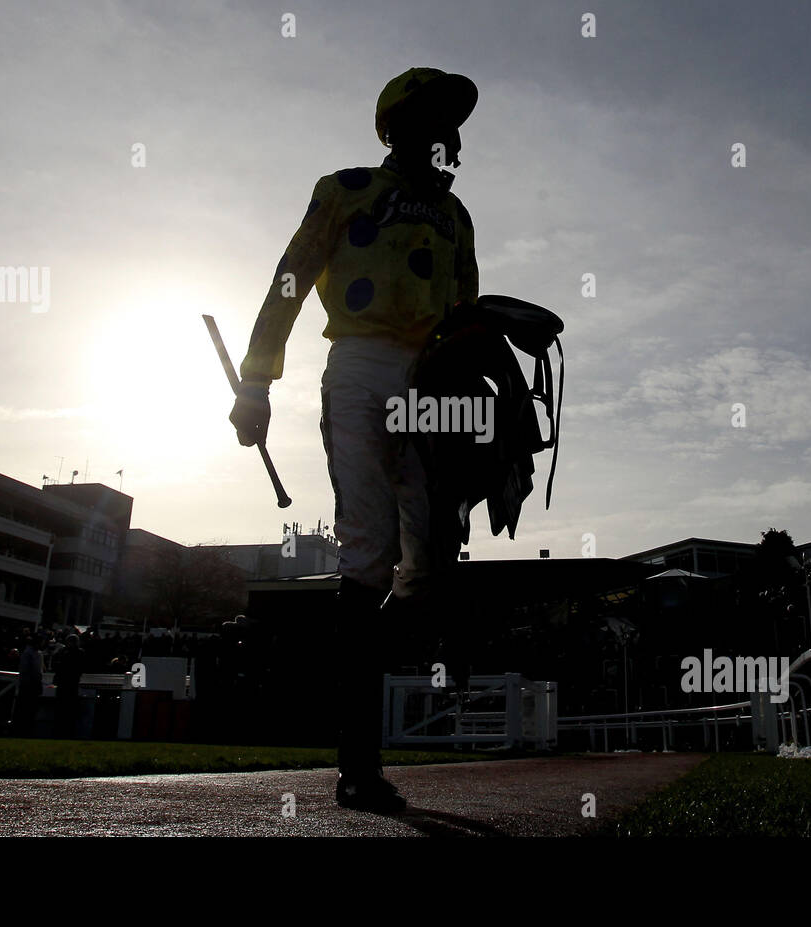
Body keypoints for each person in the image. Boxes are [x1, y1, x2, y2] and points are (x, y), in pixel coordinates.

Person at [229, 67, 479, 813]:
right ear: (401, 124)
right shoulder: (343, 187)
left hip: (433, 377)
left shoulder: (458, 215)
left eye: (452, 122)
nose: (450, 135)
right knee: (366, 553)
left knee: (430, 558)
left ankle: (349, 655)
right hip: (362, 366)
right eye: (436, 118)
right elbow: (290, 278)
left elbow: (467, 315)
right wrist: (256, 381)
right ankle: (357, 764)